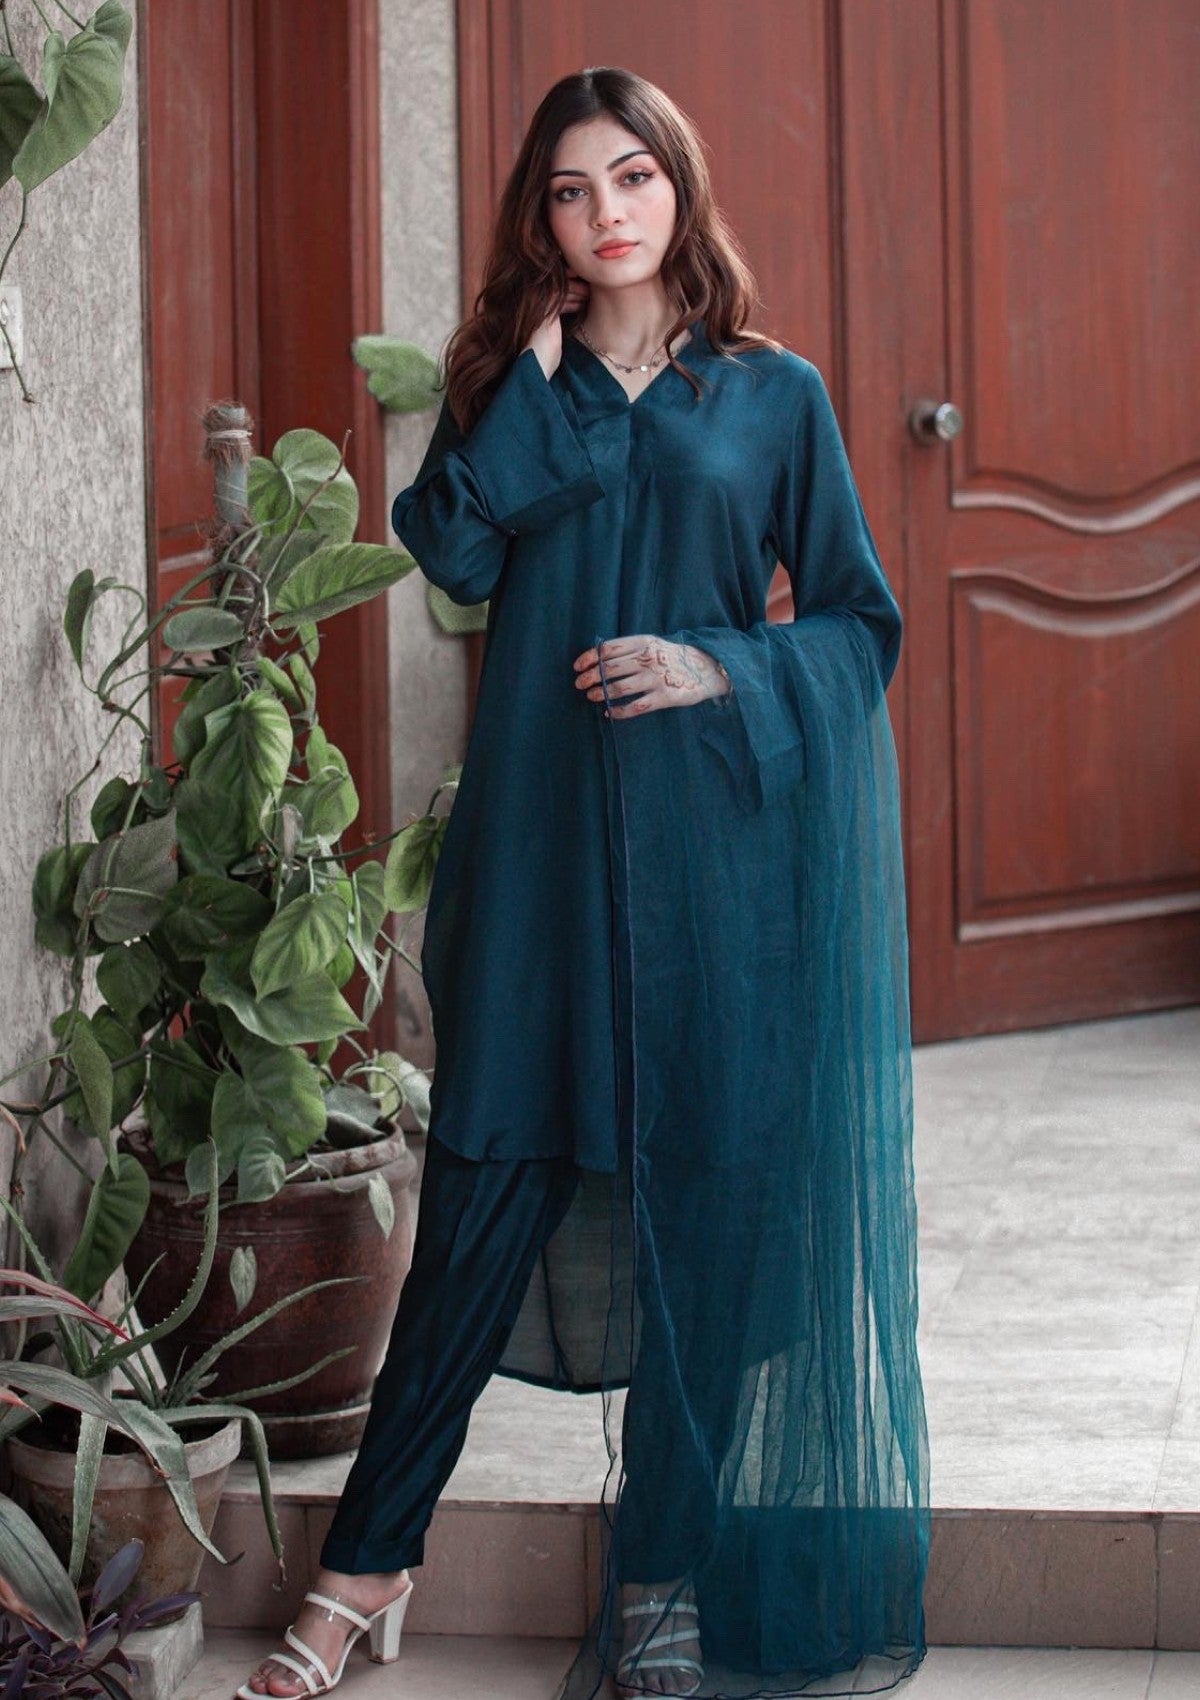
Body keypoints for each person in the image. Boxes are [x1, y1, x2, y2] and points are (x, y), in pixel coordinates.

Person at [241, 64, 929, 1700]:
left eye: (633, 177)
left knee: (706, 1232)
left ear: (678, 187)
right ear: (539, 219)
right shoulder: (514, 386)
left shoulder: (772, 397)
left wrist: (717, 667)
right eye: (571, 188)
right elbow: (454, 552)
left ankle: (665, 1581)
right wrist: (535, 387)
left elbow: (859, 625)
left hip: (715, 878)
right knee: (476, 1218)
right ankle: (366, 1568)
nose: (607, 211)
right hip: (540, 867)